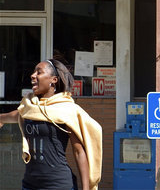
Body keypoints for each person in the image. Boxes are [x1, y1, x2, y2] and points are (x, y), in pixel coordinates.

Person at [0, 59, 102, 190]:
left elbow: (78, 152)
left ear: (53, 80)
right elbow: (15, 116)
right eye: (33, 72)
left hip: (58, 184)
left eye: (39, 72)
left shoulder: (66, 110)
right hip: (30, 184)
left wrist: (86, 188)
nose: (33, 75)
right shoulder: (30, 107)